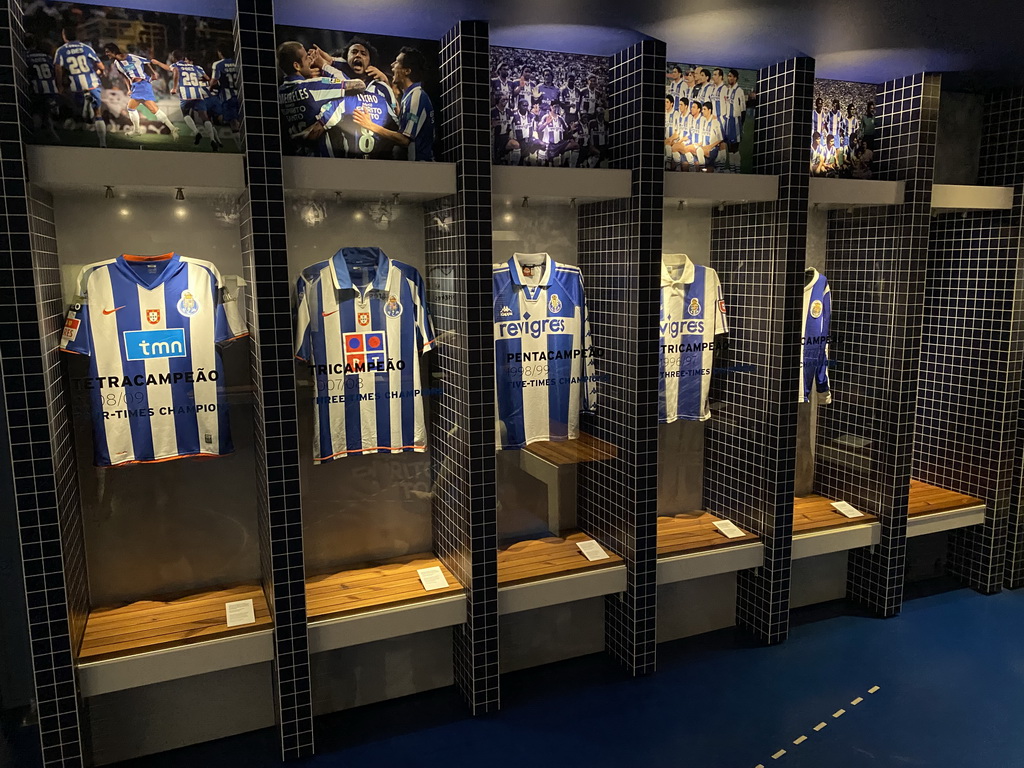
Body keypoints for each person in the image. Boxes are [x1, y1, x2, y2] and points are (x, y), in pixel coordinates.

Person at [276, 40, 365, 157]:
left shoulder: (279, 92)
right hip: (326, 158)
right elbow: (359, 85)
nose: (310, 60)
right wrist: (324, 65)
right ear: (296, 66)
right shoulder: (314, 86)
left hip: (299, 159)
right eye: (306, 57)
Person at [353, 46, 435, 161]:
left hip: (420, 167)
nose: (392, 65)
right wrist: (386, 82)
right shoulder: (409, 96)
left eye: (396, 62)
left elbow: (404, 140)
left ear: (407, 71)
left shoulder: (417, 97)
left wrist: (370, 125)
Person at [102, 43, 179, 139]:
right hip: (137, 86)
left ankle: (137, 130)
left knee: (131, 107)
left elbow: (146, 61)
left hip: (142, 84)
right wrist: (129, 89)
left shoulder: (131, 57)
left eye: (108, 52)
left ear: (113, 51)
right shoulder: (117, 64)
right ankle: (172, 128)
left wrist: (153, 73)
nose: (106, 54)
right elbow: (124, 77)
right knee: (152, 109)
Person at [53, 25, 106, 146]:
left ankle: (85, 108)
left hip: (76, 85)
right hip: (92, 82)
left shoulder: (61, 50)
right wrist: (100, 73)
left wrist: (59, 85)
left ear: (64, 36)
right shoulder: (86, 48)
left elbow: (58, 69)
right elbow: (101, 66)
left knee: (78, 112)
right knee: (98, 114)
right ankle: (103, 143)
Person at [168, 51, 219, 149]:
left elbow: (175, 73)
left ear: (174, 58)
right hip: (198, 93)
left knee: (185, 113)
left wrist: (174, 88)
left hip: (186, 94)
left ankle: (196, 132)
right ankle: (212, 139)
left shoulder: (175, 66)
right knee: (204, 117)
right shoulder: (196, 67)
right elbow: (207, 79)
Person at [722, 69, 745, 172]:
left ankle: (737, 169)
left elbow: (743, 109)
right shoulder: (728, 90)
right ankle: (732, 169)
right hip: (728, 121)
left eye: (731, 76)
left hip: (735, 121)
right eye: (728, 76)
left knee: (735, 147)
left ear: (735, 78)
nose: (729, 78)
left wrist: (741, 124)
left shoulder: (739, 91)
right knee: (730, 148)